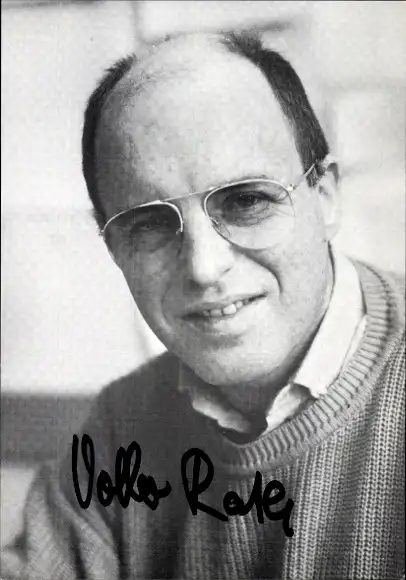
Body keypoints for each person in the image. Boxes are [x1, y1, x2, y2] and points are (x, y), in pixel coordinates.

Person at [2, 32, 404, 580]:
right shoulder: (119, 429)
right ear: (113, 248)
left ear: (326, 196)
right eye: (149, 223)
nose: (204, 267)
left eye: (247, 200)